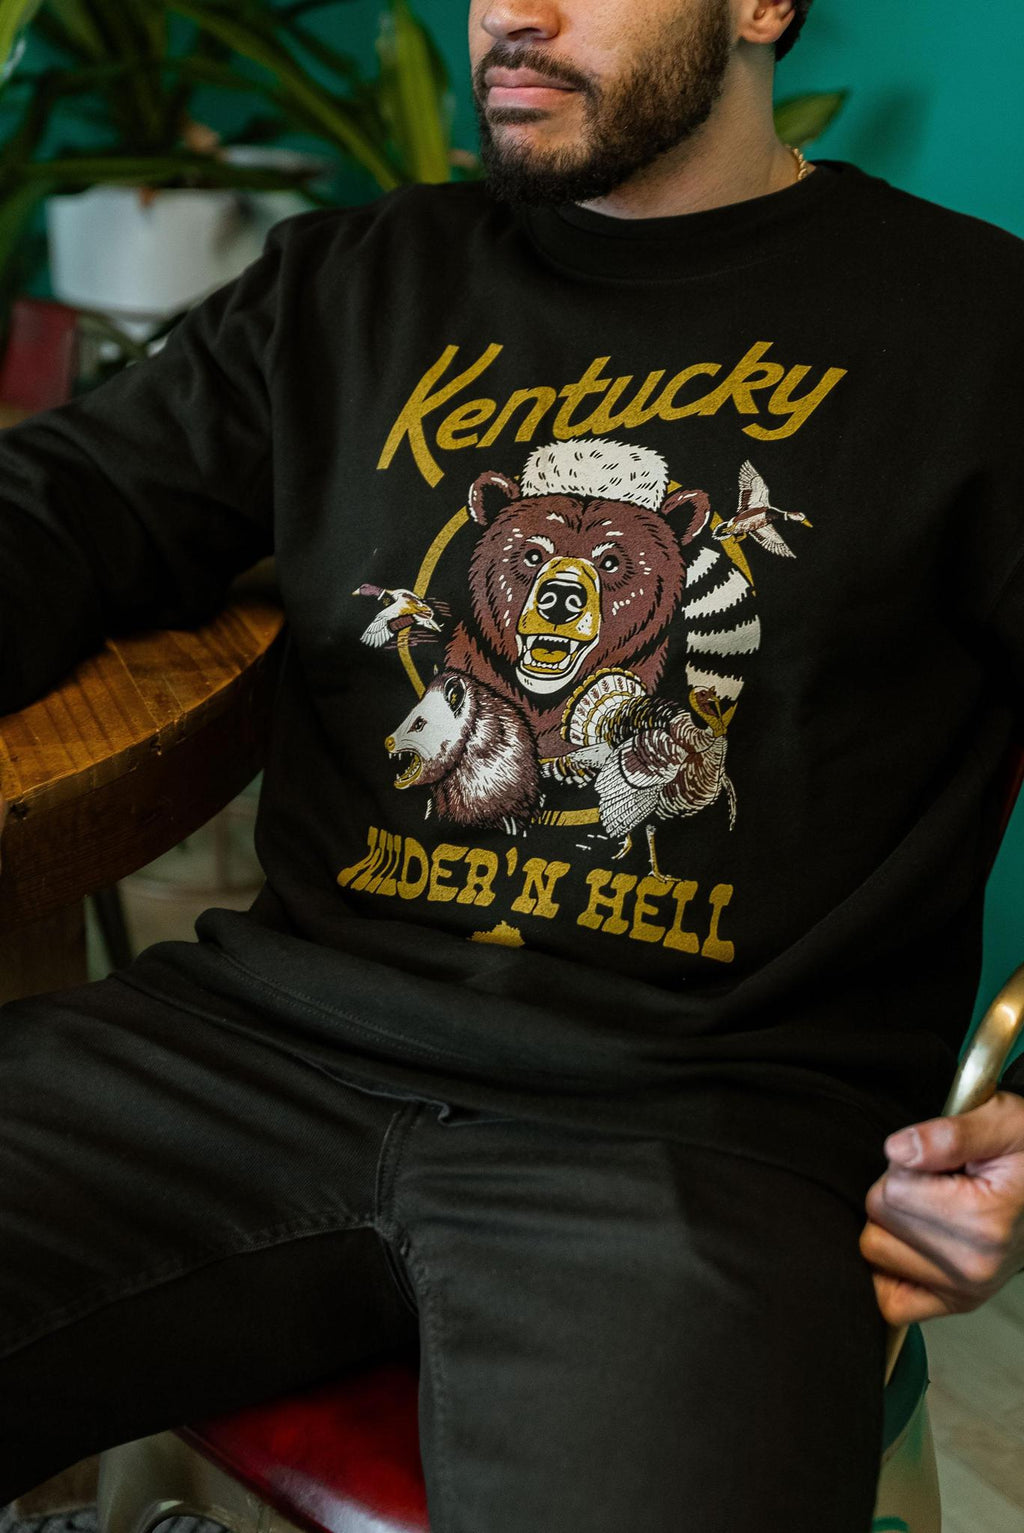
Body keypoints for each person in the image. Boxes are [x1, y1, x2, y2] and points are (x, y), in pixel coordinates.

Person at [0, 0, 1023, 1526]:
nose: (510, 15)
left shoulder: (975, 329)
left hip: (695, 1144)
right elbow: (65, 506)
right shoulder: (353, 284)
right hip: (257, 1052)